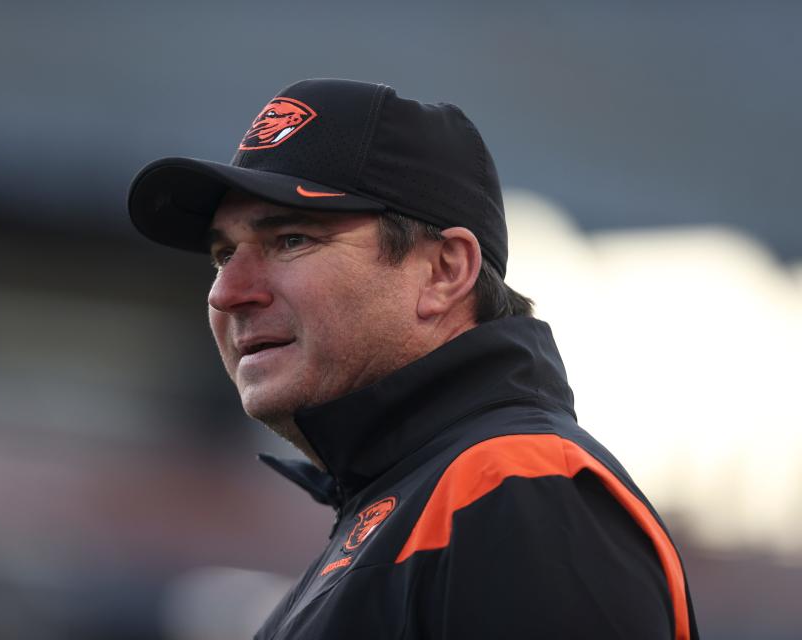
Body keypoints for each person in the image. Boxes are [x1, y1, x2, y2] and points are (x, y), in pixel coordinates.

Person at [128, 78, 699, 639]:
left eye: (293, 240)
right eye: (223, 255)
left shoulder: (516, 485)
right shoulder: (411, 502)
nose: (227, 293)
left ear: (445, 272)